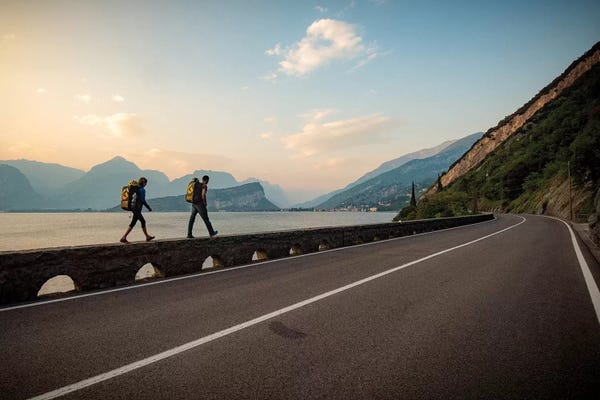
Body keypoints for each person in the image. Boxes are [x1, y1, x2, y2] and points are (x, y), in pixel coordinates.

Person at [120, 177, 155, 243]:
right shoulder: (142, 190)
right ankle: (147, 237)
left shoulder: (136, 189)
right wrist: (148, 207)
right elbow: (143, 200)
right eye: (146, 183)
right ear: (144, 183)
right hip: (137, 209)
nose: (146, 184)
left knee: (133, 223)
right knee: (142, 221)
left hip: (134, 208)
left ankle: (124, 237)